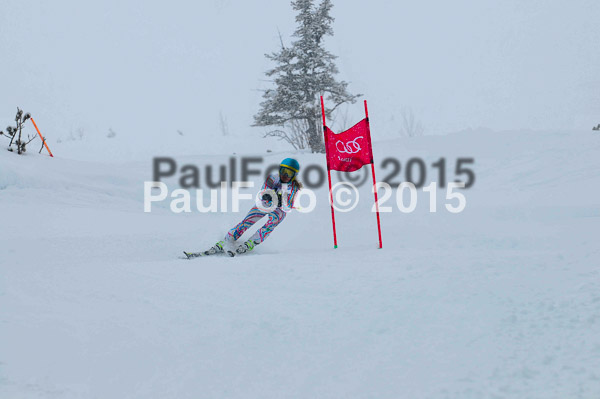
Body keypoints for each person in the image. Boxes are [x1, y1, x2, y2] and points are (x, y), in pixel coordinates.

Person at [209, 157, 302, 255]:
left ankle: (251, 243)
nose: (285, 175)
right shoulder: (272, 178)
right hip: (266, 203)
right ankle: (228, 239)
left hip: (279, 210)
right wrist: (268, 195)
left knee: (273, 221)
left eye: (290, 173)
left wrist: (281, 201)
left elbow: (288, 206)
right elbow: (263, 192)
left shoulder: (294, 188)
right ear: (279, 170)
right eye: (284, 171)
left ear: (294, 176)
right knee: (248, 220)